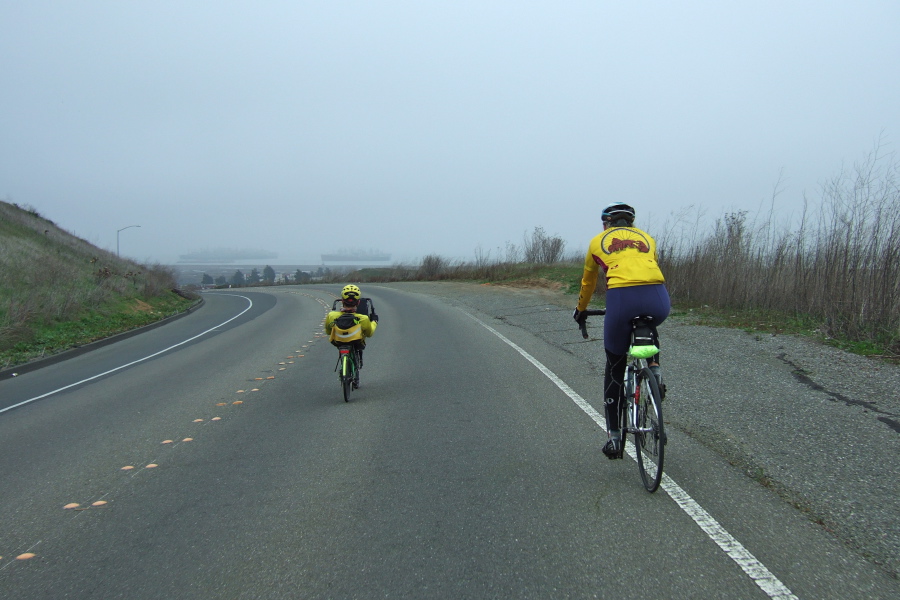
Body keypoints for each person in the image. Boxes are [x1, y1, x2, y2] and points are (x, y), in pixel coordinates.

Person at [573, 202, 670, 460]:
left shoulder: (597, 242)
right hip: (659, 299)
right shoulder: (647, 238)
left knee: (615, 365)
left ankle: (615, 438)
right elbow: (647, 270)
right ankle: (655, 372)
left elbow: (588, 282)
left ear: (606, 223)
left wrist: (581, 309)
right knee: (647, 323)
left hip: (622, 300)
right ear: (631, 223)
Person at [325, 284, 378, 388]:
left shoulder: (331, 316)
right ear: (358, 302)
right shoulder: (363, 318)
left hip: (339, 341)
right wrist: (374, 322)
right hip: (356, 341)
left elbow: (328, 331)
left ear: (342, 301)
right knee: (360, 339)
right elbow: (369, 333)